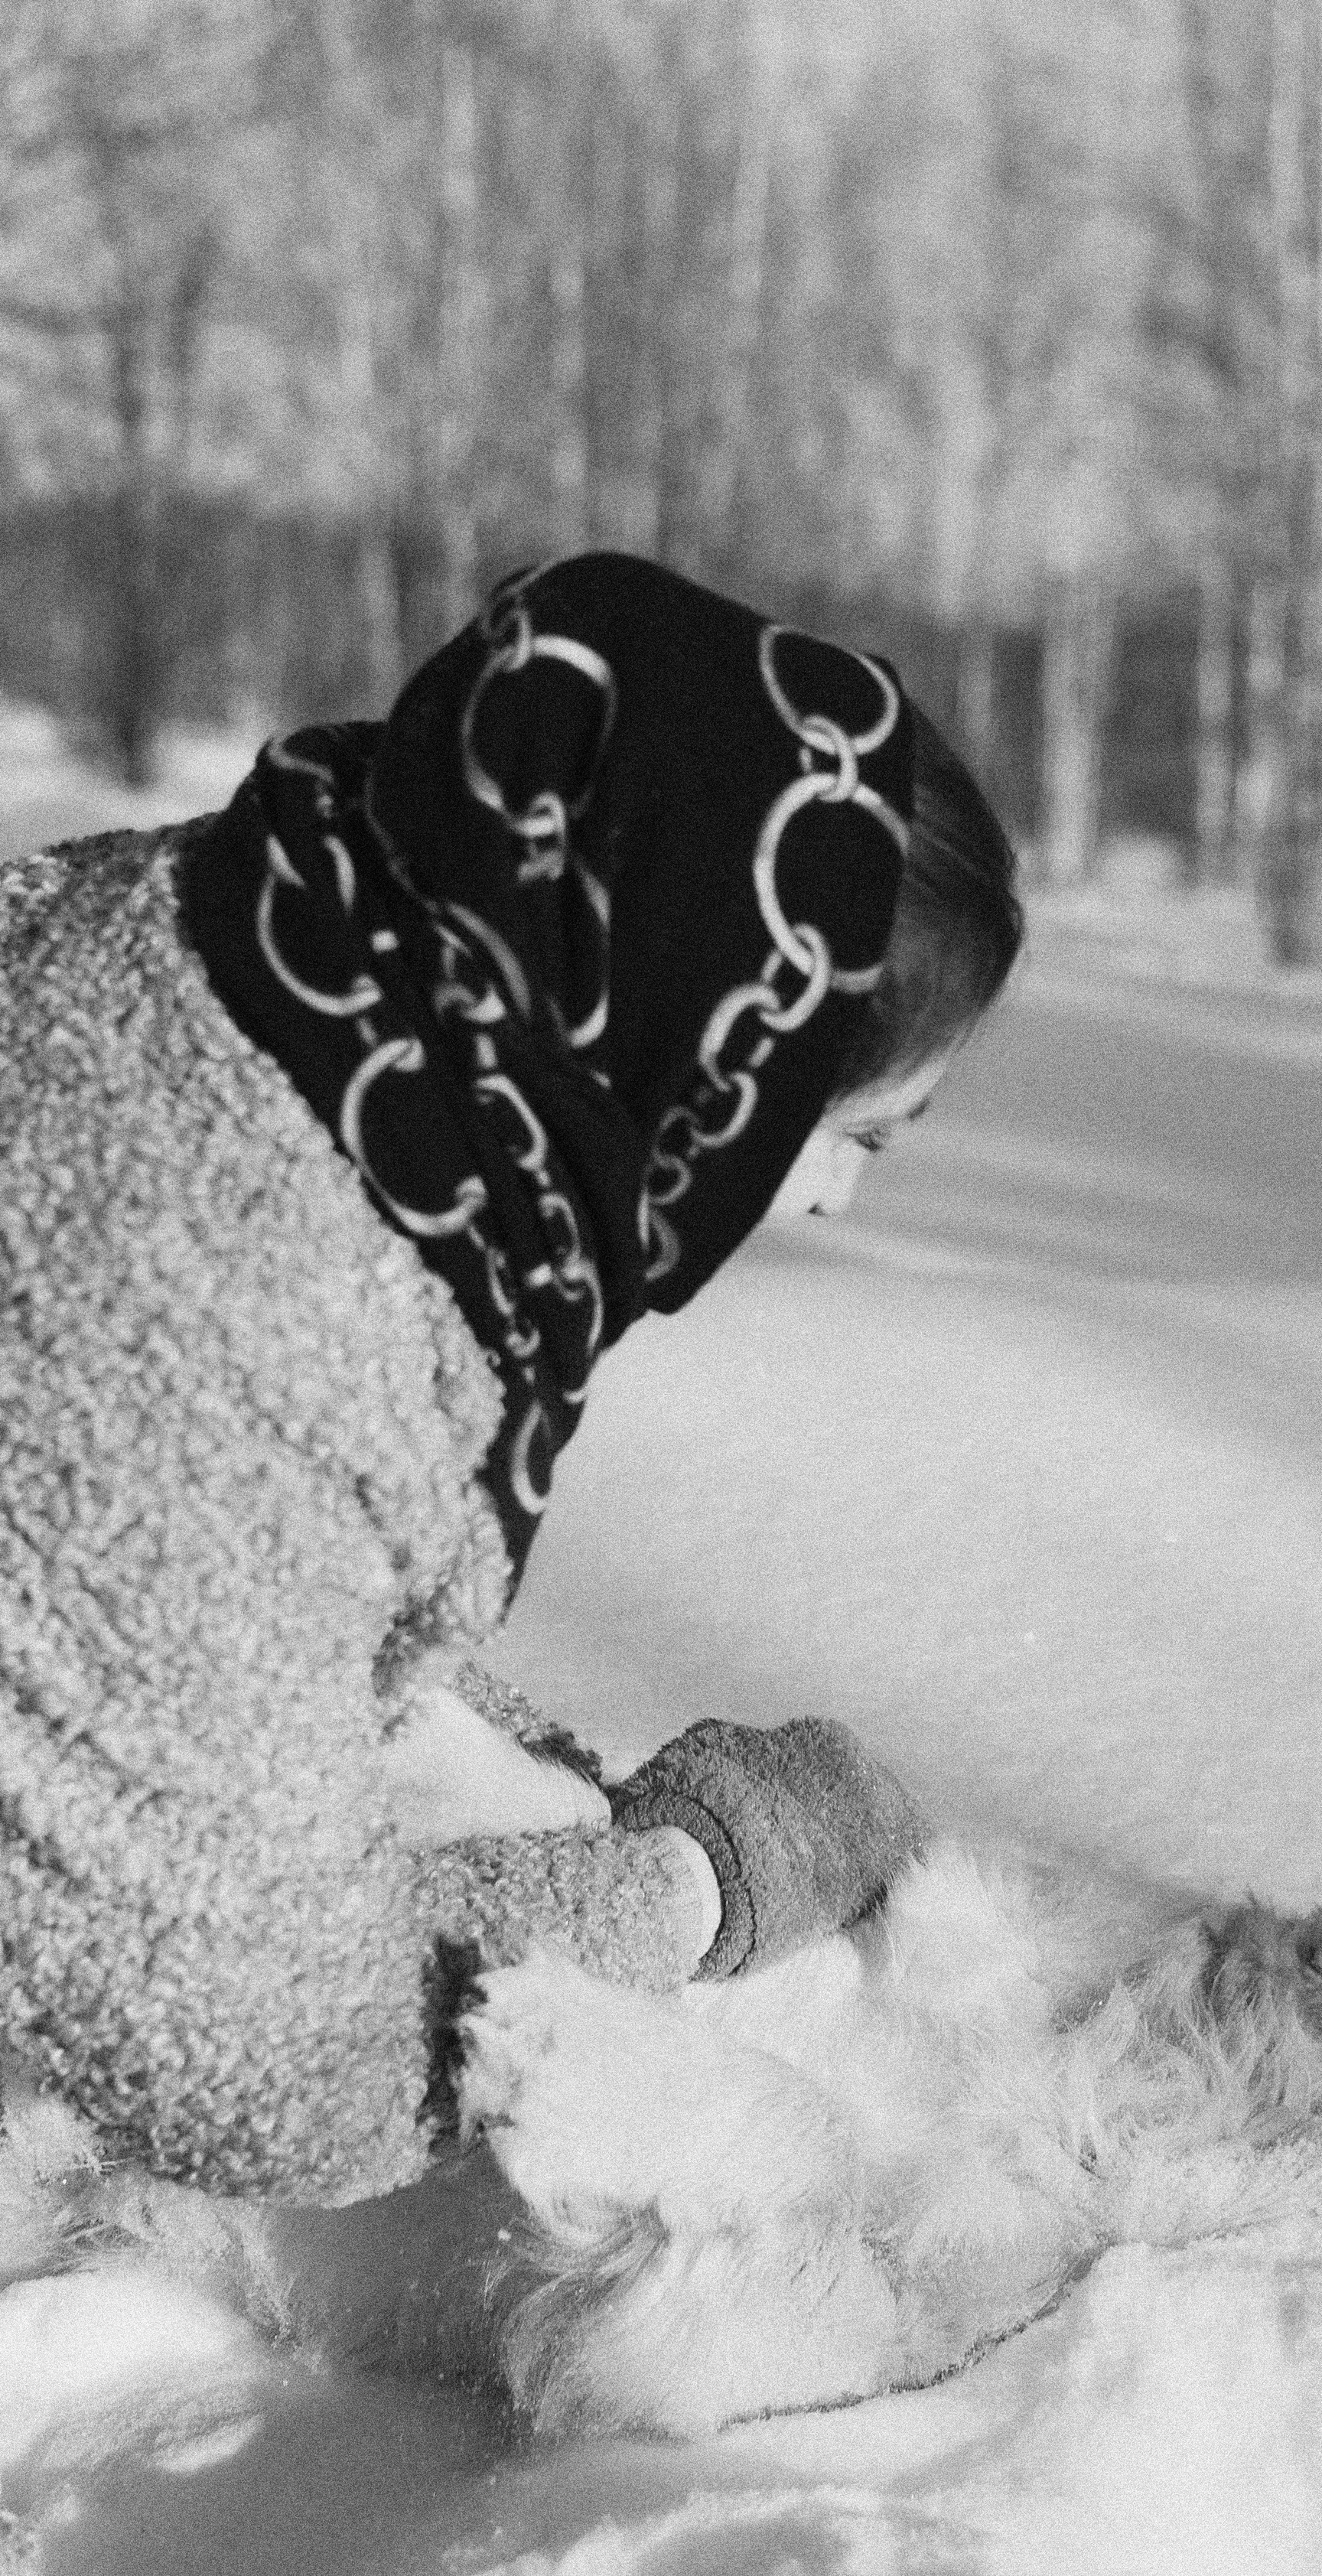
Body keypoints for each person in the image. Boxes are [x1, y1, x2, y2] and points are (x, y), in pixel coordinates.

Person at [0, 551, 1024, 2210]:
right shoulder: (277, 1309)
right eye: (842, 1135)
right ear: (709, 1042)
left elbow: (167, 1658)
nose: (832, 1200)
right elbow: (270, 2063)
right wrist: (687, 1884)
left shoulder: (231, 942)